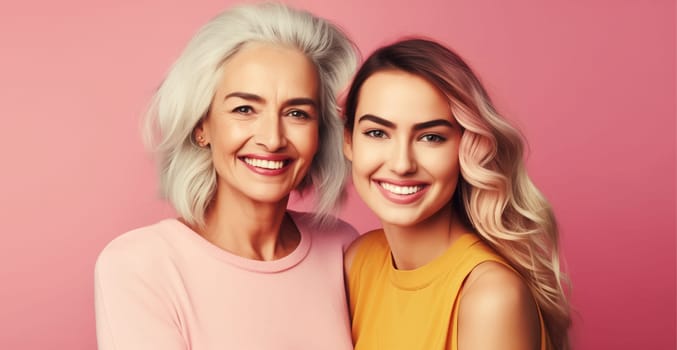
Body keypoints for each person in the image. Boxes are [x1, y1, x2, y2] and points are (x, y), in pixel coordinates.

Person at [94, 3, 359, 349]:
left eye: (297, 113)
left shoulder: (343, 248)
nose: (273, 139)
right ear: (202, 125)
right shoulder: (140, 266)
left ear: (320, 132)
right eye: (245, 109)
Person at [343, 38, 571, 350]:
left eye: (431, 137)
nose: (401, 163)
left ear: (467, 147)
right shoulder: (359, 260)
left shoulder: (491, 297)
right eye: (377, 133)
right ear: (348, 141)